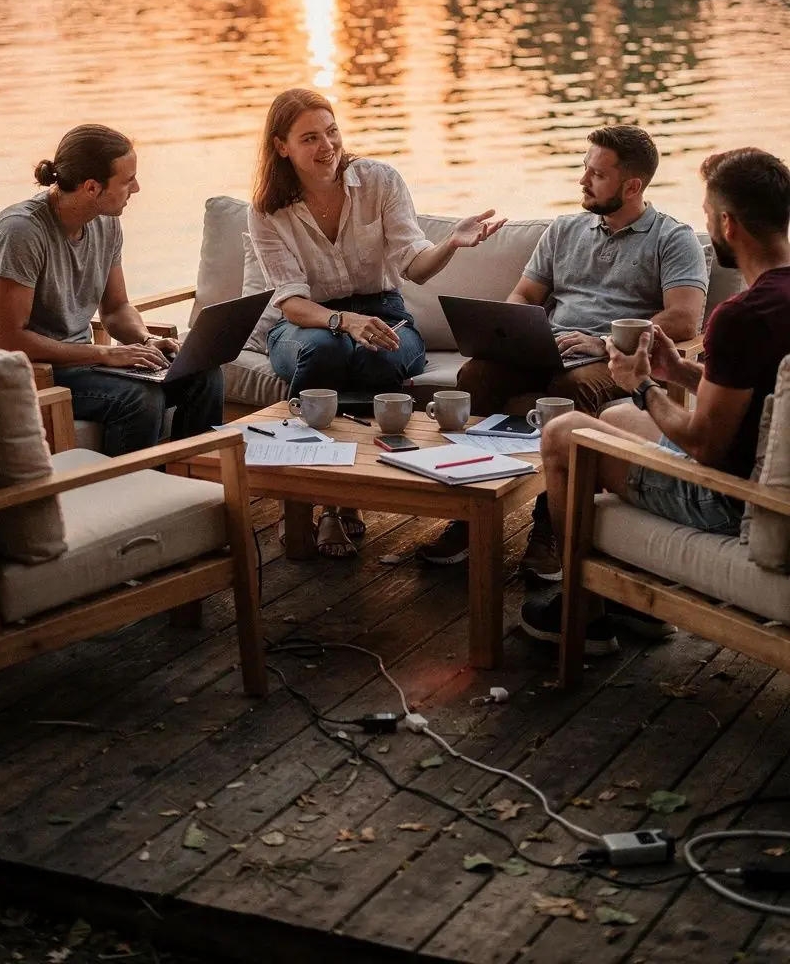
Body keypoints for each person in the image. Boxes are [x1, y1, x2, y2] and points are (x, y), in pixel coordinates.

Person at [519, 147, 790, 656]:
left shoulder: (741, 316)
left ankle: (583, 615)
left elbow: (704, 444)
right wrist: (677, 372)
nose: (706, 224)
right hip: (761, 468)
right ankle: (633, 603)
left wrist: (641, 386)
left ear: (728, 224)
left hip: (730, 498)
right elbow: (764, 389)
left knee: (561, 434)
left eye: (708, 214)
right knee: (616, 416)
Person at [417, 125, 707, 570]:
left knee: (570, 386)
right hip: (548, 347)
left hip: (617, 359)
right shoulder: (564, 230)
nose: (583, 180)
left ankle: (550, 525)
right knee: (476, 374)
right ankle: (467, 515)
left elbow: (685, 318)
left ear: (633, 185)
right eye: (584, 168)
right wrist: (521, 332)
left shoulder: (672, 238)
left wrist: (606, 339)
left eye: (597, 174)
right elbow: (525, 295)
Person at [249, 87, 505, 558]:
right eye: (309, 138)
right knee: (327, 349)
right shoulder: (268, 211)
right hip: (305, 322)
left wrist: (450, 243)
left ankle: (343, 503)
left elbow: (415, 265)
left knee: (378, 350)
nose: (327, 146)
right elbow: (291, 302)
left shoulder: (379, 181)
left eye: (331, 132)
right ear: (281, 146)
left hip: (383, 311)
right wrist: (343, 321)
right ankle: (315, 506)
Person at [0, 125, 223, 457]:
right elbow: (7, 341)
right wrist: (106, 354)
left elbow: (117, 308)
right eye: (127, 180)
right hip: (28, 373)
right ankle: (129, 498)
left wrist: (144, 340)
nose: (137, 187)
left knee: (203, 376)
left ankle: (190, 487)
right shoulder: (21, 233)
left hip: (80, 363)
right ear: (92, 187)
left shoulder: (106, 222)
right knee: (141, 399)